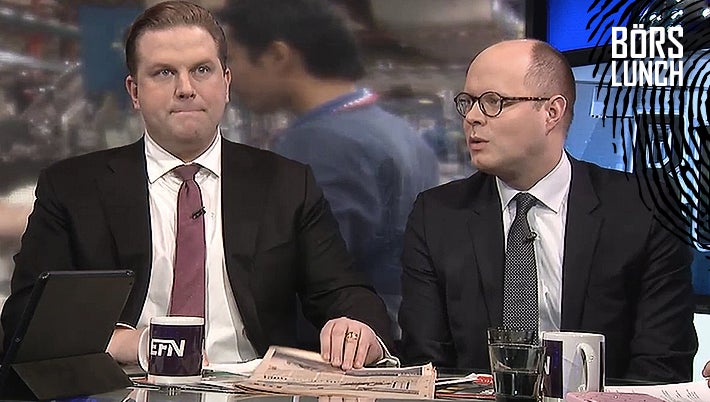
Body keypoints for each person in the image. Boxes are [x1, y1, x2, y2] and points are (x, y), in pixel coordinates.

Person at [1, 0, 395, 371]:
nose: (186, 88)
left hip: (249, 386)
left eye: (201, 70)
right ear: (134, 92)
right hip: (125, 383)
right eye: (164, 73)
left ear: (226, 83)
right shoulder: (72, 187)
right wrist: (132, 344)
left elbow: (347, 293)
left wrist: (357, 327)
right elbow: (25, 315)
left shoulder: (288, 183)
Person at [399, 39, 697, 382]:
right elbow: (428, 366)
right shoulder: (437, 216)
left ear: (551, 112)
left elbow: (662, 365)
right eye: (467, 103)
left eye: (493, 102)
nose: (472, 118)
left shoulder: (645, 210)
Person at [219, 0, 439, 337]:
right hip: (395, 332)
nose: (229, 77)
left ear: (277, 55)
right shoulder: (400, 132)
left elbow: (308, 273)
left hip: (338, 341)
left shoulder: (318, 144)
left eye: (232, 58)